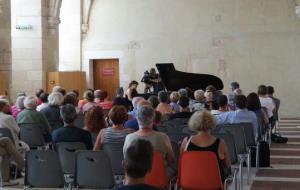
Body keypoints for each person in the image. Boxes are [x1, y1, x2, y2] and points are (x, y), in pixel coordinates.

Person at [124, 105, 175, 178]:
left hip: (136, 177)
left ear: (137, 119)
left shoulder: (129, 138)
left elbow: (126, 160)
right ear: (153, 119)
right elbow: (171, 160)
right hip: (159, 177)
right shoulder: (163, 137)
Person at [180, 111, 231, 182]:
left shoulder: (186, 141)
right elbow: (227, 164)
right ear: (212, 122)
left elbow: (182, 164)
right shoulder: (220, 143)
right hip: (214, 183)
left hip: (191, 182)